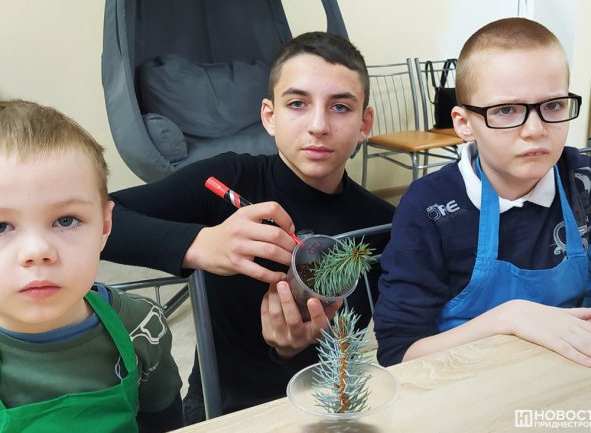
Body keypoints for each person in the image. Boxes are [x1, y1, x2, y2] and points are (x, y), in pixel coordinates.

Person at [101, 31, 395, 424]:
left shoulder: (382, 224)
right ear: (270, 116)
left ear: (364, 123)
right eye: (297, 103)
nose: (318, 125)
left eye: (340, 107)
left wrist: (292, 349)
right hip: (222, 407)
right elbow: (94, 220)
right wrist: (201, 243)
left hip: (328, 402)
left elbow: (365, 340)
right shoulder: (226, 179)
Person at [374, 18, 591, 368]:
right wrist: (509, 318)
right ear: (464, 123)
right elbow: (398, 354)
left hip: (560, 373)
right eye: (506, 110)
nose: (535, 130)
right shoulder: (428, 208)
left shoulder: (583, 178)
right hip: (460, 379)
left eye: (553, 106)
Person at [0, 100, 182, 432]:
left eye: (66, 220)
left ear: (104, 227)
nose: (37, 251)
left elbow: (163, 418)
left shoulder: (143, 327)